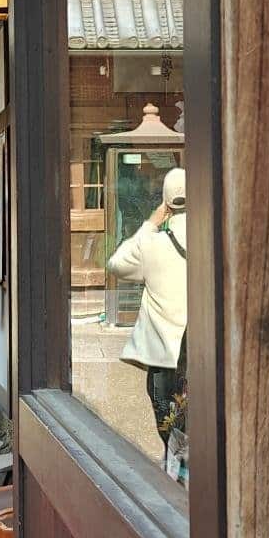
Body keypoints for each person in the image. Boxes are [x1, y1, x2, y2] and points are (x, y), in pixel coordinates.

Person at [107, 166, 187, 447]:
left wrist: (151, 222)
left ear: (166, 202)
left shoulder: (153, 243)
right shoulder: (212, 238)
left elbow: (116, 263)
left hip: (163, 355)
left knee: (172, 437)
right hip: (204, 356)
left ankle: (176, 483)